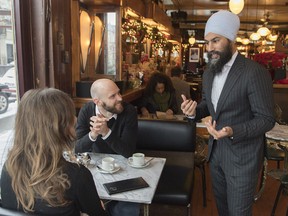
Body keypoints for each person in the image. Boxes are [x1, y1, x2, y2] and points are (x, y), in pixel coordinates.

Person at [181, 10, 275, 216]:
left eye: (216, 40)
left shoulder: (254, 72)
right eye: (207, 42)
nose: (210, 48)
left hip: (243, 157)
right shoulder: (209, 72)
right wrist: (192, 111)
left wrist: (233, 130)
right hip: (216, 155)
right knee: (223, 211)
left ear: (231, 39)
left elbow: (267, 119)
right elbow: (208, 105)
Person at [1, 88, 107, 216]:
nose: (75, 119)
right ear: (58, 127)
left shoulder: (9, 168)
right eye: (70, 115)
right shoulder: (77, 175)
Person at [75, 78, 139, 216]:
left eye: (119, 93)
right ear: (98, 101)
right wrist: (93, 134)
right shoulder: (86, 111)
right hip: (95, 171)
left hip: (124, 170)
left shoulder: (129, 111)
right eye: (113, 96)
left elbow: (128, 151)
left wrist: (106, 132)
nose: (120, 98)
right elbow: (77, 149)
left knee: (128, 210)